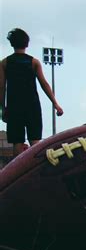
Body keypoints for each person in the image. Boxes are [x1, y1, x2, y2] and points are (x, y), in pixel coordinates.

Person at [0, 28, 64, 157]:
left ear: (12, 44)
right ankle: (38, 171)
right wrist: (55, 104)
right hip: (32, 106)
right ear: (27, 44)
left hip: (14, 106)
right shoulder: (34, 62)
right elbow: (44, 84)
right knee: (35, 141)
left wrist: (3, 108)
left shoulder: (4, 63)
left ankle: (17, 174)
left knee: (17, 142)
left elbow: (2, 87)